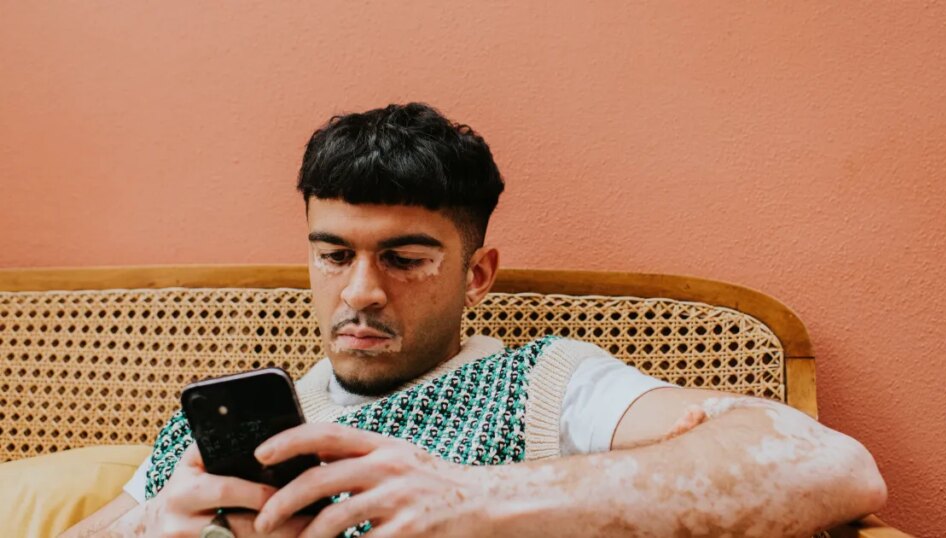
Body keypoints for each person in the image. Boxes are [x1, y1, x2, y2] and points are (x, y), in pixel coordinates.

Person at [65, 103, 887, 538]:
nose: (360, 292)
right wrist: (149, 527)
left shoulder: (547, 381)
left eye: (404, 258)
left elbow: (830, 467)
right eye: (333, 255)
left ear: (477, 274)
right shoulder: (222, 420)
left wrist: (471, 499)